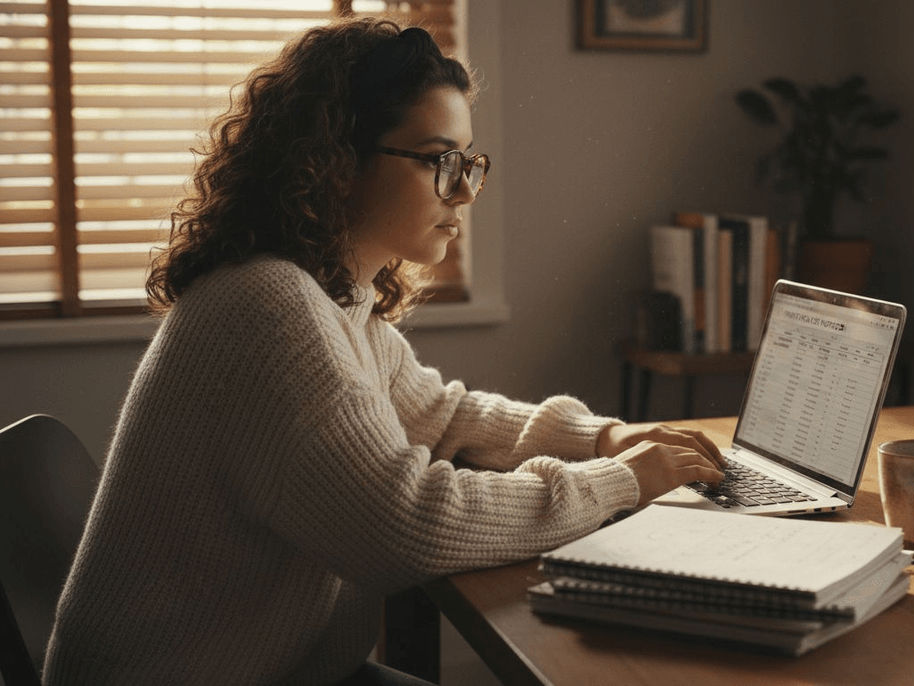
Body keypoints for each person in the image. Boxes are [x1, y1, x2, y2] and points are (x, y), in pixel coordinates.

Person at [42, 17, 725, 686]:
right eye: (437, 161)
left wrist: (609, 437)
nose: (462, 192)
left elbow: (447, 418)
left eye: (467, 164)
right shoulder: (267, 308)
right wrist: (619, 481)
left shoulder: (332, 301)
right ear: (336, 161)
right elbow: (408, 526)